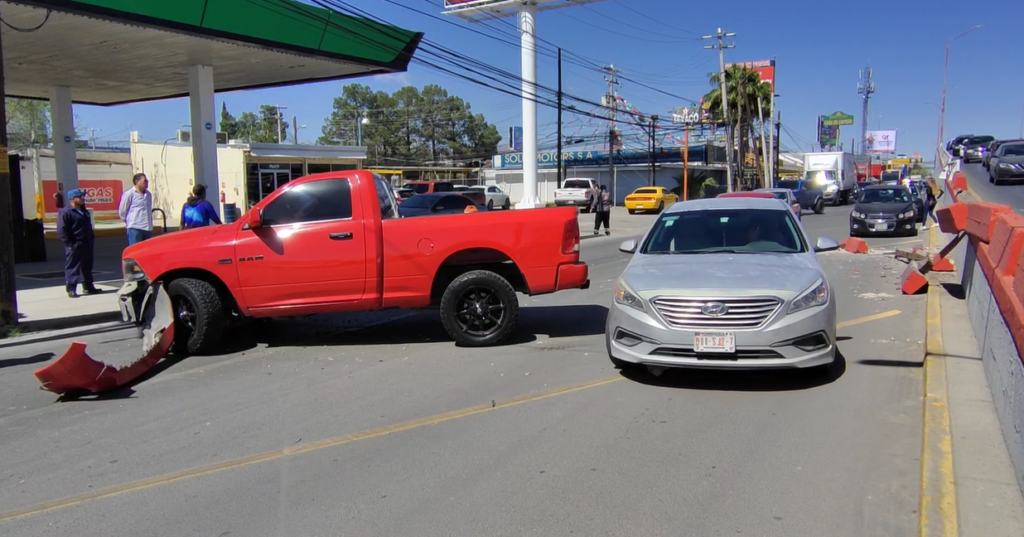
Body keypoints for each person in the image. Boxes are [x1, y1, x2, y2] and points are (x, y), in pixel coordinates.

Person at [57, 189, 100, 299]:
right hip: (75, 244)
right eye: (80, 197)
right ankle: (71, 288)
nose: (82, 199)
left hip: (87, 242)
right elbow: (62, 229)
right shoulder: (66, 212)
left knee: (87, 265)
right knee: (73, 266)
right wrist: (69, 243)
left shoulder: (84, 211)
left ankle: (88, 286)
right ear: (72, 199)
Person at [119, 173, 153, 245]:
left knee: (148, 252)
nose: (147, 183)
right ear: (137, 181)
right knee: (135, 251)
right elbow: (122, 211)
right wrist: (129, 222)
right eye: (145, 181)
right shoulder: (129, 194)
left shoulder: (148, 194)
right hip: (135, 228)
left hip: (148, 228)